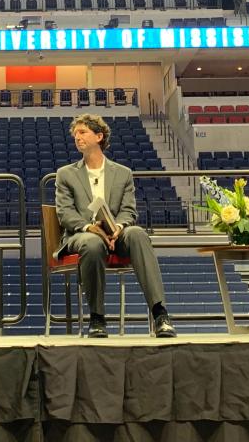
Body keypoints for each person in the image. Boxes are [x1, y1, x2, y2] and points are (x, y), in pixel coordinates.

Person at [55, 113, 176, 339]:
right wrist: (90, 228)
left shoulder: (123, 173)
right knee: (92, 244)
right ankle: (97, 318)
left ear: (99, 136)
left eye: (82, 132)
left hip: (116, 234)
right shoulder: (66, 174)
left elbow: (129, 210)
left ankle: (160, 314)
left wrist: (119, 227)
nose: (76, 137)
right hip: (83, 235)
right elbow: (65, 213)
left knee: (138, 234)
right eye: (75, 134)